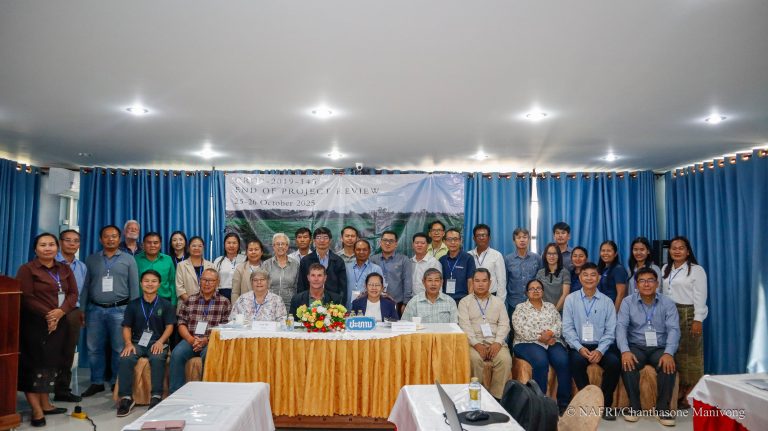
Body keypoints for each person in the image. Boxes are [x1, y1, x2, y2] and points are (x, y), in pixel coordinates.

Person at [16, 233, 78, 427]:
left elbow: (73, 293)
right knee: (34, 365)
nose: (48, 248)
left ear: (57, 248)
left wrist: (60, 312)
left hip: (59, 322)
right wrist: (50, 315)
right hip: (35, 324)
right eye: (43, 245)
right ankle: (36, 410)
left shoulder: (64, 269)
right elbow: (26, 296)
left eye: (51, 244)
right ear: (35, 249)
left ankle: (45, 404)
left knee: (49, 364)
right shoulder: (27, 269)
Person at [81, 225, 140, 397]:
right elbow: (86, 287)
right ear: (101, 239)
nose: (110, 239)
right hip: (95, 310)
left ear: (119, 238)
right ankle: (97, 382)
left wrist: (133, 312)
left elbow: (134, 287)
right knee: (94, 348)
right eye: (106, 236)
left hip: (120, 310)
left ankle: (116, 381)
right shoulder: (91, 259)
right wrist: (82, 309)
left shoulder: (129, 259)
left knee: (119, 348)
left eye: (114, 236)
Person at [617, 267, 680, 426]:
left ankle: (662, 409)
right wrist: (625, 351)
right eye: (642, 281)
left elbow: (674, 329)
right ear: (636, 284)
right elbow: (621, 327)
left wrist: (669, 353)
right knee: (628, 363)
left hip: (659, 347)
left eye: (650, 280)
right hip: (636, 346)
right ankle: (634, 406)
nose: (646, 284)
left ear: (657, 284)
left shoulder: (667, 303)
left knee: (668, 365)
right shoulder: (627, 302)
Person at [562, 263, 620, 420]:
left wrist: (600, 350)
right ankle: (587, 403)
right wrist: (579, 348)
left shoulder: (607, 301)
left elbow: (611, 330)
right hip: (578, 345)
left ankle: (605, 405)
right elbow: (567, 328)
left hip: (601, 345)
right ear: (580, 278)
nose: (589, 278)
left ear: (599, 278)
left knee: (614, 363)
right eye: (585, 275)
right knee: (576, 362)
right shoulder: (571, 299)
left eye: (593, 275)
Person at [116, 270, 175, 416]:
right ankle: (126, 398)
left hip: (158, 341)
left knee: (157, 358)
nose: (150, 284)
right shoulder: (133, 305)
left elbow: (170, 327)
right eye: (146, 281)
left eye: (154, 281)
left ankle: (156, 396)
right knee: (126, 357)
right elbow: (126, 327)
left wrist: (161, 342)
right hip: (137, 342)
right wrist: (128, 344)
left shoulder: (166, 304)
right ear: (141, 284)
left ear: (159, 284)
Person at [511, 279, 571, 414]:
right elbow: (520, 328)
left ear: (543, 291)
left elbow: (559, 324)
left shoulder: (550, 307)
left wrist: (550, 334)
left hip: (551, 340)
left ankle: (564, 403)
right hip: (526, 343)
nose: (535, 291)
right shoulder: (520, 308)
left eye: (538, 288)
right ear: (527, 293)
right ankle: (539, 404)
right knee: (540, 361)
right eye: (532, 289)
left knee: (563, 361)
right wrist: (541, 337)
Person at [661, 236, 707, 409]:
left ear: (688, 251)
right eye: (674, 248)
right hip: (669, 313)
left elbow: (700, 296)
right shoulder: (666, 268)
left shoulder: (696, 270)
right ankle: (679, 388)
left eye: (681, 248)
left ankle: (691, 391)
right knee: (676, 352)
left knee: (691, 353)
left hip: (688, 313)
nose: (677, 251)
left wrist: (698, 319)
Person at [170, 269, 231, 393]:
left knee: (209, 355)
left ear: (217, 282)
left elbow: (225, 328)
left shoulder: (224, 302)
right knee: (176, 354)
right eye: (204, 280)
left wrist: (207, 340)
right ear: (200, 281)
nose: (207, 283)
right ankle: (176, 393)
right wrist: (190, 339)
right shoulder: (190, 300)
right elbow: (181, 323)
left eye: (211, 280)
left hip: (211, 341)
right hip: (190, 339)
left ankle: (205, 392)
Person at [457, 269, 512, 400]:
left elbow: (504, 324)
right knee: (474, 360)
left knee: (505, 360)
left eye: (484, 281)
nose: (480, 284)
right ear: (472, 283)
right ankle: (476, 396)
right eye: (477, 281)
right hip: (473, 343)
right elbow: (464, 326)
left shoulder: (498, 302)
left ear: (490, 283)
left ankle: (496, 398)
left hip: (495, 341)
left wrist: (498, 342)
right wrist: (476, 344)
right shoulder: (464, 302)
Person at [54, 229, 87, 403]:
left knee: (68, 351)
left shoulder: (81, 267)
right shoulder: (51, 263)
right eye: (68, 240)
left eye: (76, 241)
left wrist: (82, 312)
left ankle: (62, 390)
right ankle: (42, 389)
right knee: (48, 351)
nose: (72, 244)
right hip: (51, 311)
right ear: (60, 242)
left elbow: (82, 293)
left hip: (73, 312)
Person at [296, 227, 347, 304]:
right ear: (314, 241)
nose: (322, 240)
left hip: (333, 303)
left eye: (325, 237)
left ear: (330, 240)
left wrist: (340, 305)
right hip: (310, 302)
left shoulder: (338, 261)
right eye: (318, 237)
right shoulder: (305, 261)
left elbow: (343, 287)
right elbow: (301, 285)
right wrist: (303, 305)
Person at [370, 231, 413, 313]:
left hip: (397, 303)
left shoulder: (404, 260)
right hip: (375, 302)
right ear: (380, 242)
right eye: (385, 240)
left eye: (391, 241)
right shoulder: (373, 260)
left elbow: (407, 282)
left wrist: (406, 303)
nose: (387, 243)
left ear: (396, 244)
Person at [504, 227, 541, 316]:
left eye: (525, 237)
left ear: (529, 240)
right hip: (514, 302)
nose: (522, 240)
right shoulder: (508, 259)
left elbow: (541, 280)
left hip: (533, 301)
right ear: (514, 241)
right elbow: (505, 281)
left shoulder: (536, 258)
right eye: (518, 237)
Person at [135, 232, 177, 307]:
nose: (152, 245)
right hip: (142, 302)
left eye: (155, 243)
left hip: (165, 301)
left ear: (160, 245)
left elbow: (172, 282)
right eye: (149, 243)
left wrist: (173, 303)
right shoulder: (136, 260)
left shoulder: (167, 259)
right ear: (143, 244)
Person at [468, 224, 506, 301]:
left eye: (484, 235)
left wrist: (499, 301)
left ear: (489, 238)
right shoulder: (468, 255)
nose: (481, 238)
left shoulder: (497, 255)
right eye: (478, 236)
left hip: (491, 296)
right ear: (474, 238)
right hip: (472, 296)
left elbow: (501, 281)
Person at [262, 233, 300, 310]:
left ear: (287, 246)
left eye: (283, 244)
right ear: (273, 246)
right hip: (270, 304)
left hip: (289, 305)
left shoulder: (295, 264)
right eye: (277, 244)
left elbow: (297, 287)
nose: (280, 246)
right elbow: (262, 285)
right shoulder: (266, 264)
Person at [439, 228, 476, 303]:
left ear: (460, 241)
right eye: (449, 239)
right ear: (445, 242)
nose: (452, 242)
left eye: (455, 239)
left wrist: (470, 301)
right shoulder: (442, 260)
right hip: (445, 300)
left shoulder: (468, 258)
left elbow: (471, 281)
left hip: (463, 300)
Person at [175, 236, 214, 304]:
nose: (196, 248)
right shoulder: (181, 266)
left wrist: (206, 302)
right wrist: (193, 303)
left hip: (208, 304)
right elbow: (180, 289)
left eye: (200, 246)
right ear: (188, 248)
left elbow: (215, 286)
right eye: (194, 246)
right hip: (186, 304)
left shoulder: (211, 265)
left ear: (203, 248)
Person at [345, 239, 382, 308]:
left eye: (365, 250)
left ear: (369, 251)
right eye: (358, 249)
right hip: (348, 307)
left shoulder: (376, 269)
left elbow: (381, 290)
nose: (361, 252)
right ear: (354, 251)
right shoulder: (346, 268)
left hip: (368, 308)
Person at [535, 243, 571, 311]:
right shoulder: (540, 273)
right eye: (549, 254)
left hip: (560, 311)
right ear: (545, 255)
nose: (551, 256)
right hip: (543, 310)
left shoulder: (565, 272)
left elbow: (565, 294)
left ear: (559, 256)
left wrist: (554, 312)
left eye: (554, 253)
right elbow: (537, 293)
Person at [212, 232, 246, 301]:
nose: (231, 245)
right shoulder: (218, 261)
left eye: (234, 243)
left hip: (241, 294)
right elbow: (214, 279)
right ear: (224, 245)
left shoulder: (244, 259)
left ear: (239, 245)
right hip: (222, 295)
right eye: (228, 243)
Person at [597, 240, 628, 311]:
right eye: (603, 250)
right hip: (601, 309)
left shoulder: (618, 269)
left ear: (615, 254)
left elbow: (621, 294)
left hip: (612, 309)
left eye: (609, 251)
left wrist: (614, 314)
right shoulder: (602, 269)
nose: (605, 253)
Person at [231, 239, 265, 303]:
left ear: (261, 252)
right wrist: (237, 308)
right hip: (244, 306)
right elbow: (235, 293)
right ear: (246, 253)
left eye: (256, 249)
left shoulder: (267, 267)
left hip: (264, 306)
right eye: (250, 250)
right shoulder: (240, 269)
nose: (253, 252)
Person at [410, 232, 441, 297]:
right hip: (412, 299)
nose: (419, 245)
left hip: (427, 299)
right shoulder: (410, 262)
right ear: (412, 245)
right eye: (417, 243)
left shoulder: (433, 262)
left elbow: (438, 285)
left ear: (428, 245)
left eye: (422, 243)